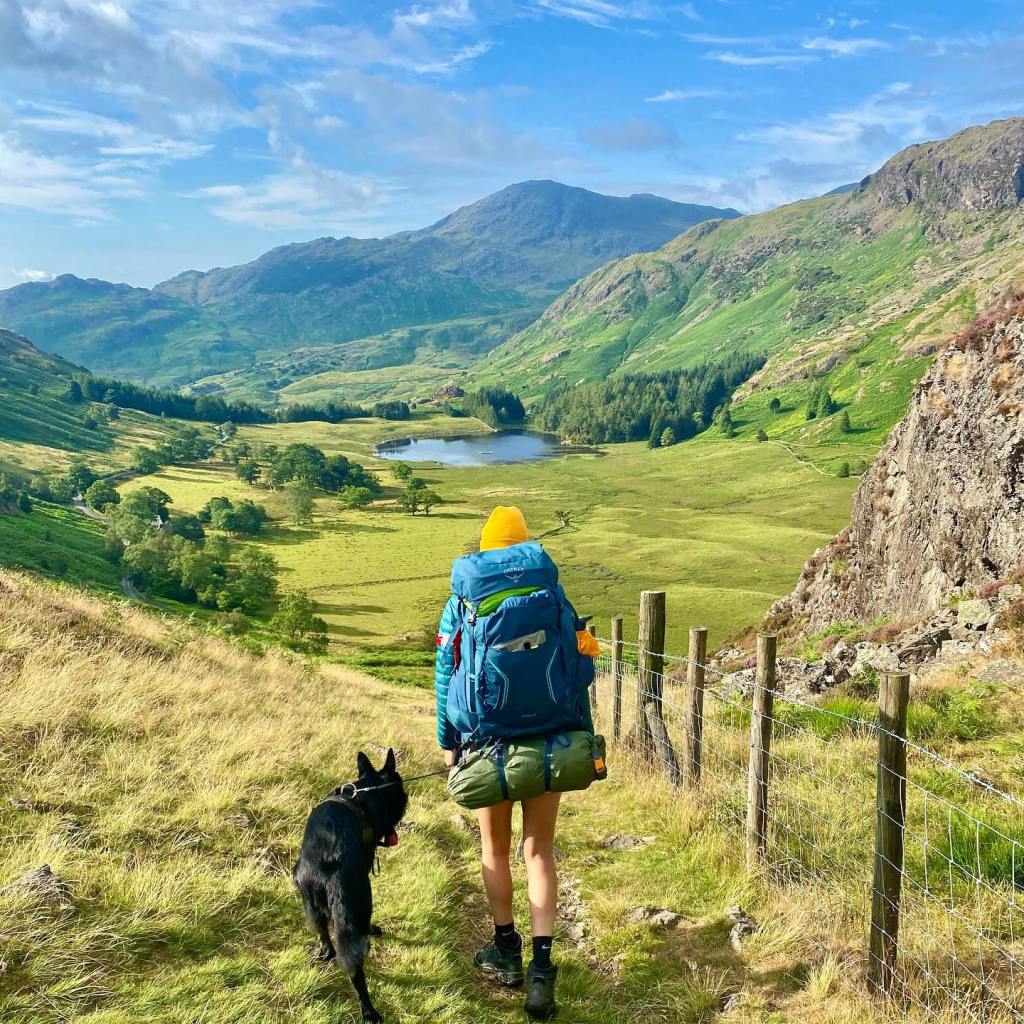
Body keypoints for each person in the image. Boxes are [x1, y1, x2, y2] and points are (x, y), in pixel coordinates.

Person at [434, 506, 598, 1020]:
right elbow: (578, 662)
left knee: (495, 849)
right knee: (539, 851)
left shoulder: (462, 599)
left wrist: (448, 741)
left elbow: (445, 672)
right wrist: (580, 730)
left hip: (487, 739)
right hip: (550, 734)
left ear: (485, 549)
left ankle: (506, 951)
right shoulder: (550, 593)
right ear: (525, 546)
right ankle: (543, 972)